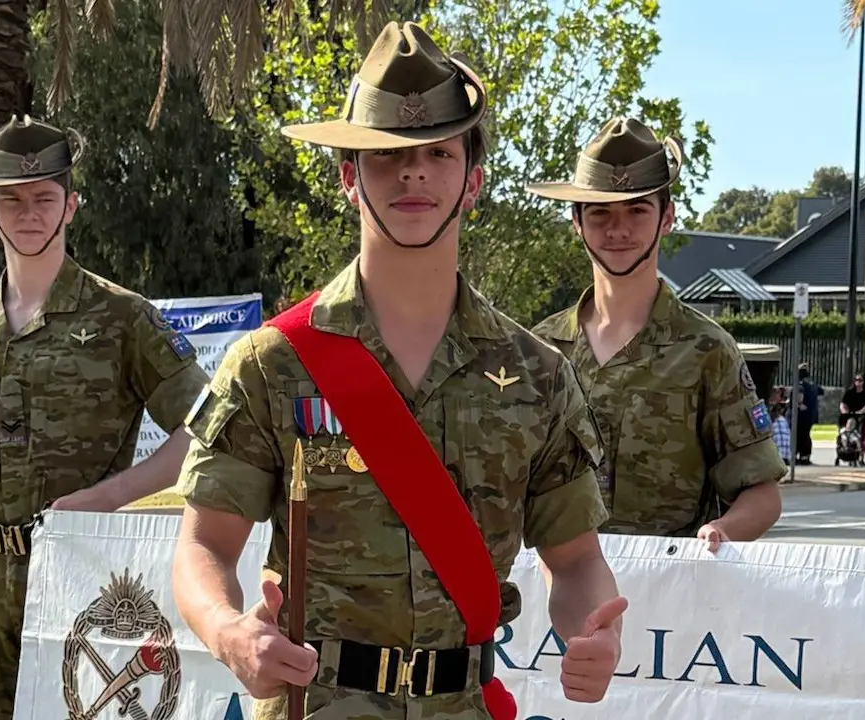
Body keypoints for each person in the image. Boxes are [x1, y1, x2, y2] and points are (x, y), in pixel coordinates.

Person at [171, 22, 625, 720]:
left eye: (438, 153)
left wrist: (592, 626)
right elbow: (203, 544)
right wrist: (228, 631)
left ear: (472, 182)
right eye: (388, 158)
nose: (413, 172)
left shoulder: (538, 377)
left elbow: (575, 560)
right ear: (349, 178)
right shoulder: (272, 365)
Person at [0, 115, 210, 719]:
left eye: (45, 197)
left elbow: (206, 426)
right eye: (12, 199)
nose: (29, 213)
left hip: (80, 579)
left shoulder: (122, 316)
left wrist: (108, 496)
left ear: (71, 205)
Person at [529, 117, 784, 552]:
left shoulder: (706, 351)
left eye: (637, 209)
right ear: (576, 221)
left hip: (667, 603)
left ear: (667, 217)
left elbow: (762, 495)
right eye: (600, 212)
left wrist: (723, 531)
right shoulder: (540, 351)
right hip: (556, 601)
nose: (618, 229)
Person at [838, 374, 865, 467]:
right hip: (850, 415)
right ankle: (846, 450)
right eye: (856, 380)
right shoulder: (850, 392)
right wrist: (844, 411)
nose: (858, 382)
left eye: (860, 380)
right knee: (845, 432)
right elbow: (843, 403)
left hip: (862, 416)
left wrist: (860, 412)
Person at [794, 363, 822, 464]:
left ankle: (799, 456)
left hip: (801, 415)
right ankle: (805, 456)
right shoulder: (812, 384)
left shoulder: (800, 384)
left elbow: (799, 398)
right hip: (811, 415)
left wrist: (797, 404)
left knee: (798, 435)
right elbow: (821, 391)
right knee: (806, 435)